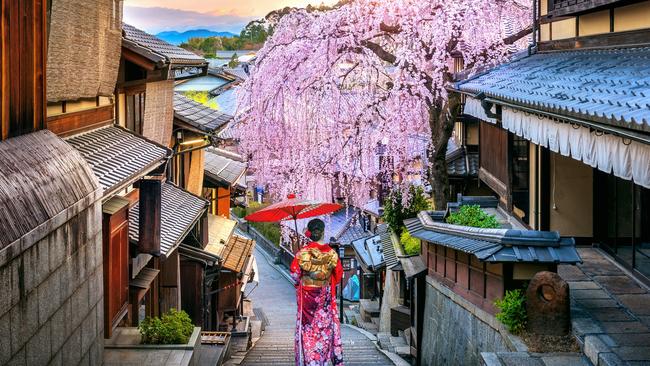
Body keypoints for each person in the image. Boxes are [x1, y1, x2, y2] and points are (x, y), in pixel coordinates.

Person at [290, 218, 344, 365]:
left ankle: (310, 361)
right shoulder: (332, 253)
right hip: (324, 298)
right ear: (323, 232)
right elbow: (338, 276)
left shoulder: (303, 253)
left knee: (308, 330)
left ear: (309, 233)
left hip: (307, 299)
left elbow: (294, 275)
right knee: (325, 330)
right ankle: (323, 361)